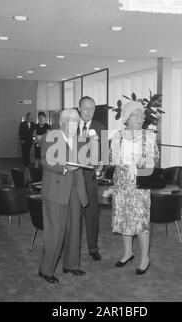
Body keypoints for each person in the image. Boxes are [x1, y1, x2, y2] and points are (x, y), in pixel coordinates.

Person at [39, 109, 89, 284]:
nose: (74, 125)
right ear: (62, 122)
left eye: (77, 122)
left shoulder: (79, 140)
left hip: (75, 190)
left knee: (74, 230)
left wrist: (94, 167)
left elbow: (84, 160)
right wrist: (66, 168)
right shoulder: (50, 136)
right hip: (56, 190)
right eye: (71, 121)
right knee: (55, 232)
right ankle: (46, 270)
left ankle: (71, 265)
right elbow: (46, 161)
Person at [111, 101, 158, 275]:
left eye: (142, 115)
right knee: (124, 219)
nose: (140, 118)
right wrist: (124, 162)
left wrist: (140, 161)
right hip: (122, 185)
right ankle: (127, 253)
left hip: (140, 185)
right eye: (135, 115)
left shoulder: (148, 136)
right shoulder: (118, 136)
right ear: (127, 118)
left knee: (141, 221)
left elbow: (155, 158)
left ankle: (145, 258)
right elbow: (113, 158)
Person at [78, 96, 106, 261]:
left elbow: (104, 153)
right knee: (73, 216)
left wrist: (102, 168)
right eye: (86, 108)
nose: (89, 111)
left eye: (92, 108)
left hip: (90, 179)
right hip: (73, 178)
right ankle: (71, 247)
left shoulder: (100, 127)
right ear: (79, 108)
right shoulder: (71, 127)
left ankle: (93, 248)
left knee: (92, 215)